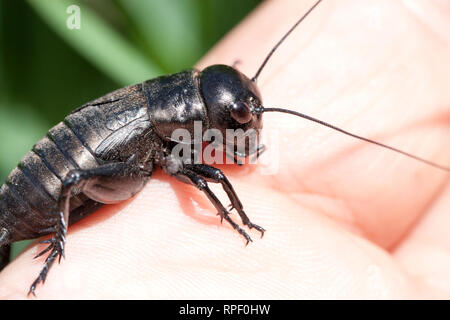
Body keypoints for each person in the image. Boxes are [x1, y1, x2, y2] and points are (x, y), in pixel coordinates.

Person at [0, 0, 449, 299]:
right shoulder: (172, 136)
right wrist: (240, 219)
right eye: (238, 118)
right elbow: (208, 176)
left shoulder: (180, 108)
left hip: (75, 144)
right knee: (81, 179)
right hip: (45, 189)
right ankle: (53, 253)